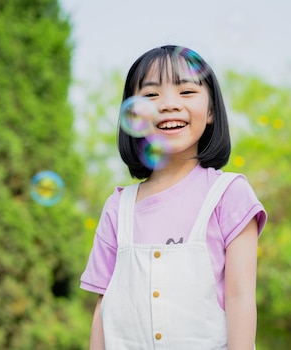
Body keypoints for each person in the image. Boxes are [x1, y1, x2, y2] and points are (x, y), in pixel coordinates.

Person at [80, 45, 267, 349]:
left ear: (210, 112)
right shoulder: (119, 207)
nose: (168, 105)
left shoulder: (229, 195)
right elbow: (104, 308)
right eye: (151, 95)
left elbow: (240, 297)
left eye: (186, 92)